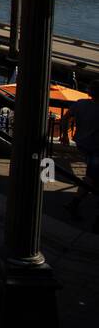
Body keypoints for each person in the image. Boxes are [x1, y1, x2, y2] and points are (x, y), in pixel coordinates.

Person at [64, 83, 99, 228]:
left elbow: (66, 117)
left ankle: (75, 203)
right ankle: (75, 204)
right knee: (91, 179)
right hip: (96, 148)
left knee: (92, 177)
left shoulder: (80, 104)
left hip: (83, 144)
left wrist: (65, 135)